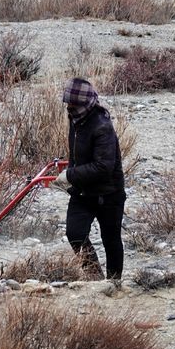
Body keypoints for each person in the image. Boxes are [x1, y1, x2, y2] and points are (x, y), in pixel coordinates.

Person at [53, 78, 126, 281]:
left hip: (108, 194)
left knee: (111, 239)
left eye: (73, 104)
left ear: (85, 104)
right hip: (83, 192)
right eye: (68, 103)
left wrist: (69, 175)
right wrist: (67, 169)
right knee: (75, 234)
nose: (69, 108)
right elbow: (79, 154)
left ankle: (113, 283)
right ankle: (94, 278)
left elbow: (103, 167)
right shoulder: (76, 119)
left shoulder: (102, 127)